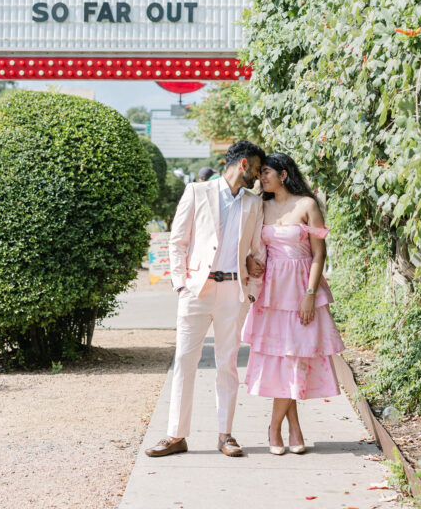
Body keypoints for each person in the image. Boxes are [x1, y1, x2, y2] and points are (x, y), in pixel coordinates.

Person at [145, 139, 266, 459]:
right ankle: (176, 435)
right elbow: (177, 241)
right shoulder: (197, 192)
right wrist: (181, 284)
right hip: (196, 290)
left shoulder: (254, 204)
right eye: (256, 169)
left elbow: (258, 251)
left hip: (234, 293)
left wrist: (251, 291)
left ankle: (225, 434)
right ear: (243, 164)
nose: (258, 176)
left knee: (228, 364)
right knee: (185, 361)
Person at [242, 152, 345, 455]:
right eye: (260, 173)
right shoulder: (260, 206)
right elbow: (247, 243)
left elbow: (319, 254)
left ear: (283, 174)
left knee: (296, 358)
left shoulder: (307, 205)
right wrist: (249, 261)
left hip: (301, 288)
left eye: (266, 172)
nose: (261, 178)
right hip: (271, 293)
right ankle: (293, 428)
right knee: (282, 360)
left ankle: (275, 427)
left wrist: (310, 295)